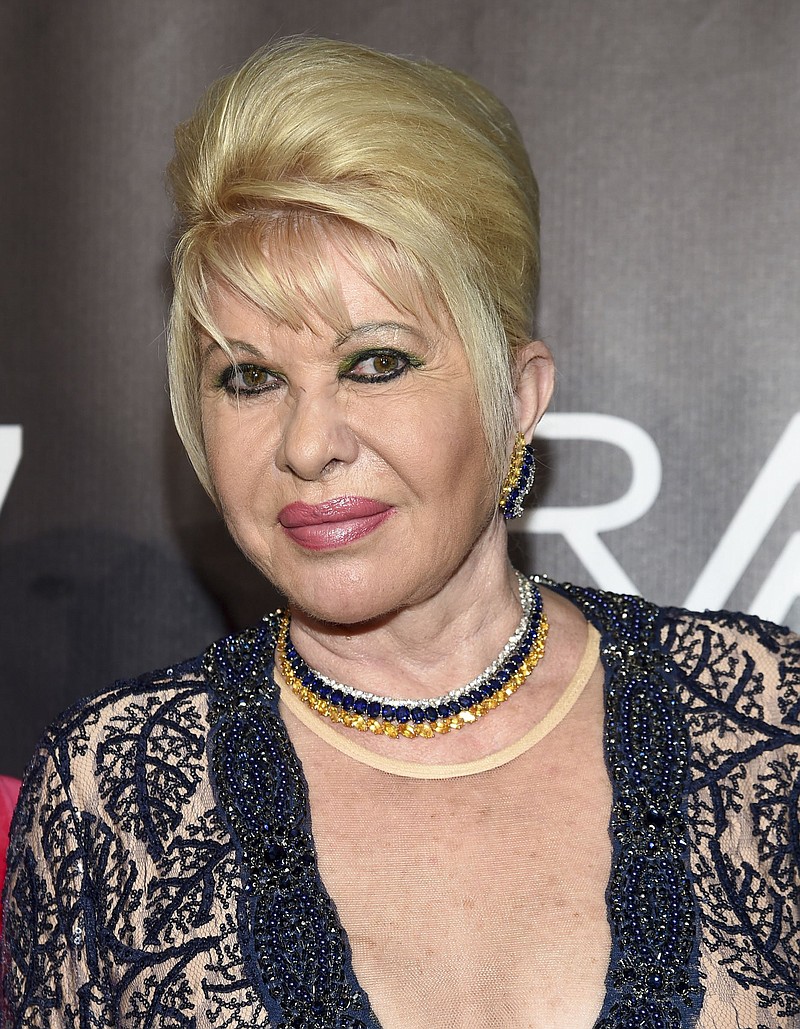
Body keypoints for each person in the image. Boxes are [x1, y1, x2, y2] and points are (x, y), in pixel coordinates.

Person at [1, 36, 799, 1029]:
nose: (306, 444)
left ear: (519, 396)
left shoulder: (766, 724)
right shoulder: (110, 789)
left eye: (374, 363)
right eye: (248, 377)